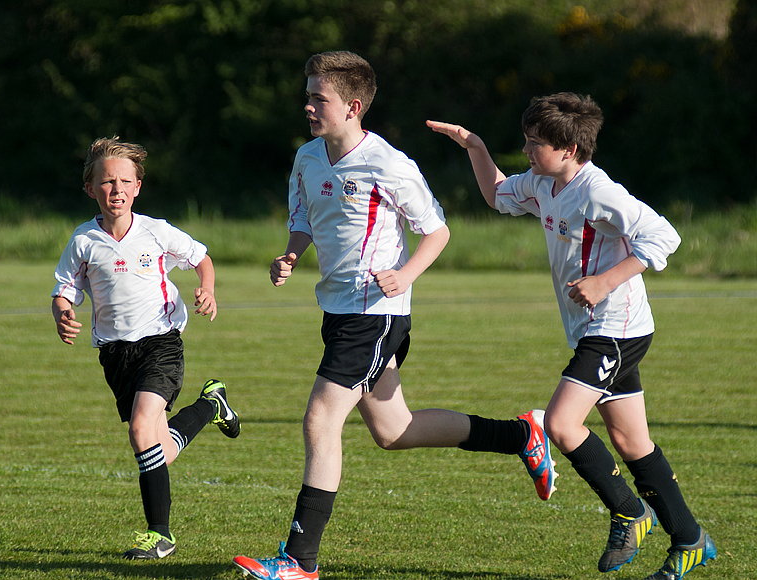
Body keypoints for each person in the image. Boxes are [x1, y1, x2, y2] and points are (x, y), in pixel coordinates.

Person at [232, 51, 558, 580]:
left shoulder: (389, 164)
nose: (309, 106)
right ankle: (522, 437)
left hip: (376, 314)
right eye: (308, 95)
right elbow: (304, 220)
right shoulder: (307, 158)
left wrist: (404, 277)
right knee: (394, 429)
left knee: (321, 418)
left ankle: (299, 561)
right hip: (338, 311)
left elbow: (437, 231)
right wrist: (291, 253)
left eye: (320, 98)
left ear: (353, 106)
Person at [428, 92, 716, 580]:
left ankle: (629, 511)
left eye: (535, 143)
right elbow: (498, 195)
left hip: (616, 328)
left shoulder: (599, 190)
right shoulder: (543, 182)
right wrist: (474, 146)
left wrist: (605, 281)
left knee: (561, 426)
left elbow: (664, 236)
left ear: (569, 149)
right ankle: (689, 540)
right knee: (631, 441)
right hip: (594, 330)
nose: (526, 150)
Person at [51, 136, 241, 560]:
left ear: (138, 187)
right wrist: (62, 313)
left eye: (124, 181)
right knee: (157, 449)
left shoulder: (155, 230)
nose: (115, 189)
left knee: (140, 431)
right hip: (115, 355)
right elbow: (64, 291)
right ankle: (211, 407)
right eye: (106, 182)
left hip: (161, 343)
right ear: (89, 188)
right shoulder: (83, 241)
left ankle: (160, 535)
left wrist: (206, 288)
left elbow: (201, 258)